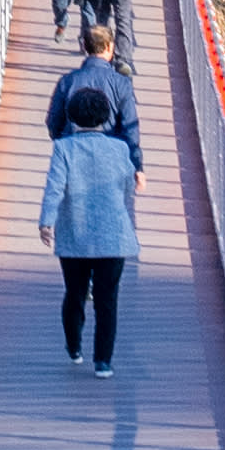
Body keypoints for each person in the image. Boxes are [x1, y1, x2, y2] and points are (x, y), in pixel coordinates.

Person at [39, 52, 139, 371]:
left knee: (75, 293)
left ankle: (73, 346)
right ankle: (104, 362)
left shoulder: (64, 149)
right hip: (113, 234)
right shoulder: (121, 149)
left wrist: (46, 222)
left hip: (75, 234)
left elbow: (54, 186)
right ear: (104, 116)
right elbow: (127, 186)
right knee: (108, 300)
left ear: (73, 116)